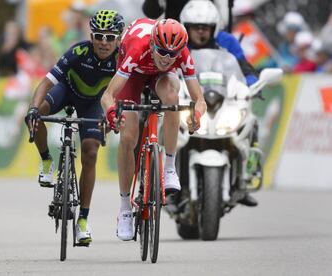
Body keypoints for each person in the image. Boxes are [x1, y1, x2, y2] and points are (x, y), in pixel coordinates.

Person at [100, 18, 207, 241]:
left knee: (172, 98)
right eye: (162, 51)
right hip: (135, 72)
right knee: (129, 138)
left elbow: (200, 100)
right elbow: (107, 96)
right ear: (152, 44)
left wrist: (196, 115)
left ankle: (169, 167)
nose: (167, 58)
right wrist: (112, 113)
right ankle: (125, 209)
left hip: (160, 78)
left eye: (173, 54)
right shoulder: (138, 47)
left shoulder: (182, 54)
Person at [25, 10, 125, 245]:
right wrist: (32, 108)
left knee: (90, 152)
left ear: (119, 38)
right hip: (66, 91)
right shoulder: (78, 52)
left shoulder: (122, 59)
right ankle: (47, 160)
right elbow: (47, 82)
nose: (103, 42)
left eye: (110, 37)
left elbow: (124, 95)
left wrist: (112, 119)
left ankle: (82, 220)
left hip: (94, 103)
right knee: (38, 114)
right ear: (91, 36)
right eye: (99, 36)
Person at [179, 0, 258, 206]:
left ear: (214, 28)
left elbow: (244, 68)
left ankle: (245, 177)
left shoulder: (227, 41)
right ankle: (163, 179)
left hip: (220, 101)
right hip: (187, 101)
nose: (201, 32)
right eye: (196, 27)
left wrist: (252, 85)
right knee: (163, 122)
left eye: (206, 27)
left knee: (251, 122)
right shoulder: (178, 42)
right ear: (186, 27)